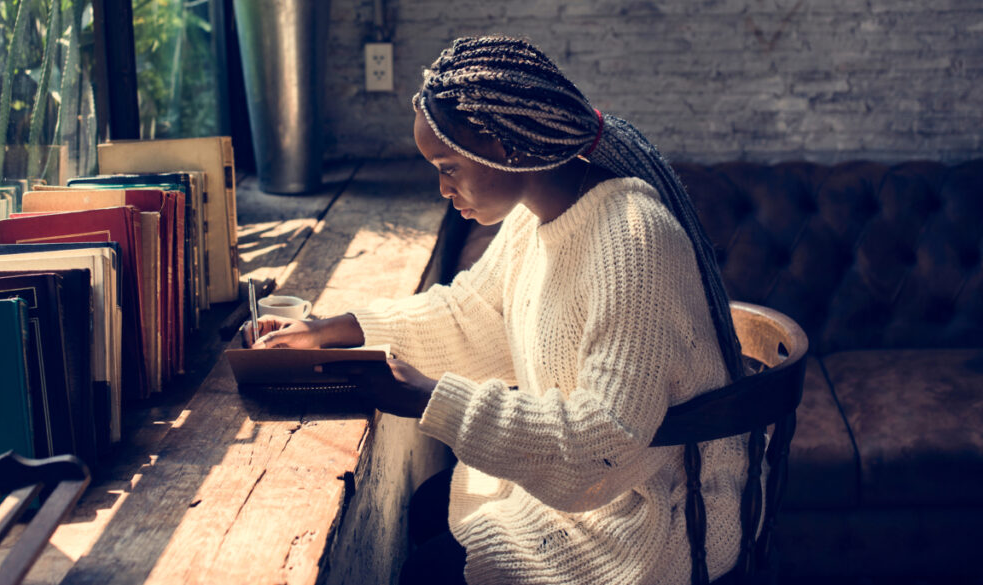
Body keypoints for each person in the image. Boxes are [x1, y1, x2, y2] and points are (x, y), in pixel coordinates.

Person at [245, 35, 751, 585]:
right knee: (429, 508)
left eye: (448, 166)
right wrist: (336, 330)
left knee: (424, 573)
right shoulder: (535, 218)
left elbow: (606, 443)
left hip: (660, 517)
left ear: (502, 147)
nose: (442, 187)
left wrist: (428, 398)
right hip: (596, 493)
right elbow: (472, 317)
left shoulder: (632, 237)